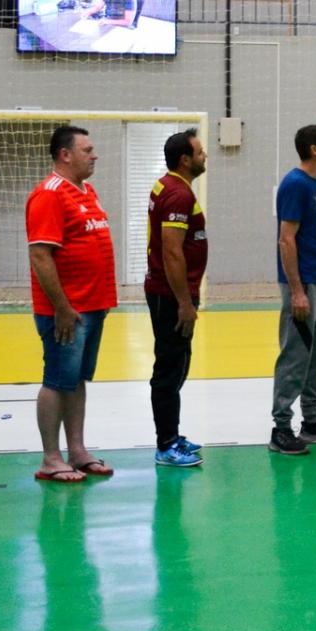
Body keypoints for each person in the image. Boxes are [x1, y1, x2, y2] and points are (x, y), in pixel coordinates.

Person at [27, 125, 119, 482]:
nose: (94, 155)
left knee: (77, 379)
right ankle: (51, 458)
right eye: (87, 150)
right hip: (67, 312)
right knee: (57, 380)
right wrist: (63, 308)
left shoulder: (87, 191)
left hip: (93, 306)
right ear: (65, 154)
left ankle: (77, 451)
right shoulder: (49, 194)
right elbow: (40, 256)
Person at [270, 123, 316, 455]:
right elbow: (286, 239)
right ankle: (281, 428)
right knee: (296, 355)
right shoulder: (295, 184)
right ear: (314, 149)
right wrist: (297, 291)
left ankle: (311, 418)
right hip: (303, 286)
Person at [145, 128, 208, 468]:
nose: (204, 156)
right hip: (170, 295)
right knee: (171, 367)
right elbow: (171, 251)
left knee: (175, 363)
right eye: (199, 152)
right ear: (185, 160)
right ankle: (166, 443)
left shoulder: (167, 185)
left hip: (167, 292)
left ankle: (171, 434)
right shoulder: (178, 196)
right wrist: (184, 302)